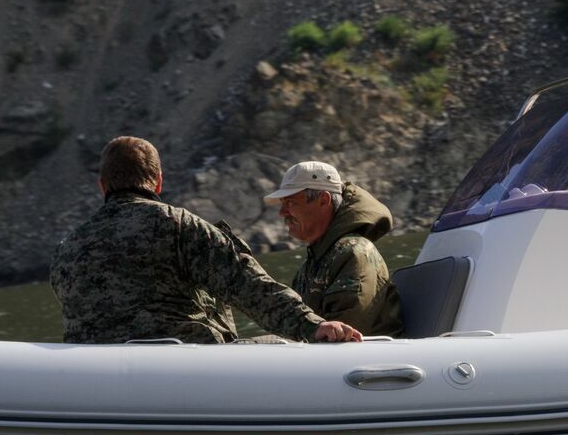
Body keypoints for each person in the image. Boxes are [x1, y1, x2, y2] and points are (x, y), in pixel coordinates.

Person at [50, 136, 362, 344]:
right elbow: (249, 286)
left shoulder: (66, 250)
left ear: (102, 186)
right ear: (158, 182)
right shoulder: (179, 227)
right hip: (189, 375)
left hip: (94, 385)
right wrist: (312, 326)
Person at [266, 161, 403, 337]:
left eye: (290, 203)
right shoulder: (308, 269)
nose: (282, 212)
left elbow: (341, 335)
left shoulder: (355, 253)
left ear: (323, 201)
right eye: (282, 203)